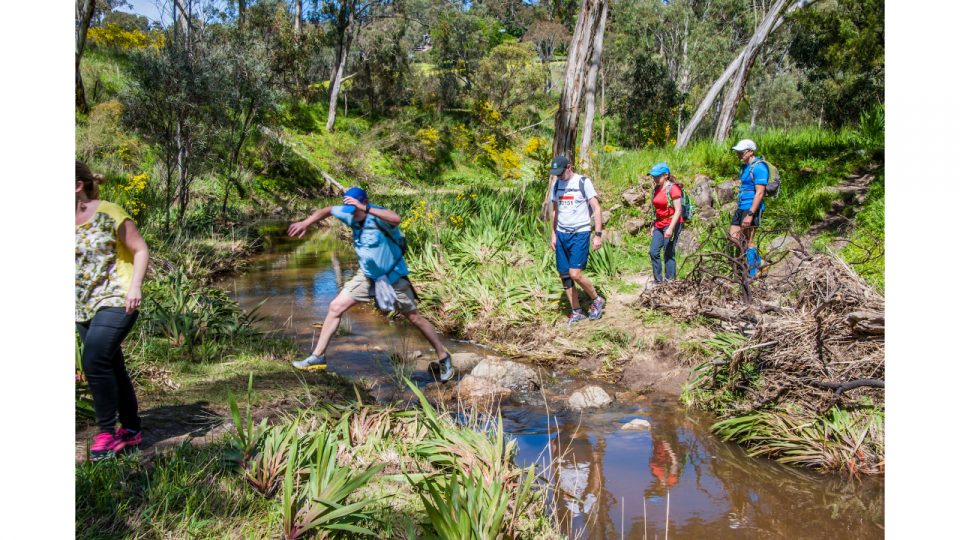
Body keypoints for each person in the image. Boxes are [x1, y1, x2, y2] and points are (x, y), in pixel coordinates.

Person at [287, 187, 454, 381]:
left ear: (365, 202)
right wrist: (306, 222)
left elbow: (396, 218)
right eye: (349, 208)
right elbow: (327, 210)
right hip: (366, 277)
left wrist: (364, 208)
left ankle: (443, 356)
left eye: (355, 209)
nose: (352, 214)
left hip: (393, 278)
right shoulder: (348, 213)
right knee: (335, 307)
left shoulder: (378, 217)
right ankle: (318, 356)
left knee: (414, 318)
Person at [76, 161, 149, 461]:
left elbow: (140, 249)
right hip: (82, 307)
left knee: (94, 358)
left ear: (76, 185)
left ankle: (106, 432)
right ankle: (131, 429)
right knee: (111, 365)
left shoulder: (109, 211)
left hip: (118, 298)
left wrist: (135, 286)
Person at [548, 155, 605, 327]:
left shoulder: (583, 182)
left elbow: (596, 208)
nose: (558, 176)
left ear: (569, 167)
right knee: (565, 275)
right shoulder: (556, 185)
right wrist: (553, 234)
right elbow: (555, 212)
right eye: (555, 174)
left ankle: (596, 299)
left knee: (575, 274)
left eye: (561, 172)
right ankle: (576, 311)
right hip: (561, 234)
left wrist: (598, 234)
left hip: (579, 233)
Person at [730, 139, 767, 278]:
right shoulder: (744, 167)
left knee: (748, 241)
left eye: (741, 152)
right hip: (741, 206)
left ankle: (752, 273)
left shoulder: (759, 167)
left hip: (752, 208)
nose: (738, 154)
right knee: (734, 237)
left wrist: (750, 214)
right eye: (737, 152)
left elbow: (760, 192)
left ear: (751, 152)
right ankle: (759, 262)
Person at [648, 162, 684, 283]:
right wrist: (653, 225)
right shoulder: (656, 189)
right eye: (653, 176)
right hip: (659, 224)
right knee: (653, 252)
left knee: (668, 253)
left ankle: (670, 281)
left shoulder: (673, 188)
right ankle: (658, 281)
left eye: (658, 176)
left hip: (671, 223)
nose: (655, 178)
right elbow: (656, 209)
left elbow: (678, 210)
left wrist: (670, 228)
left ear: (666, 175)